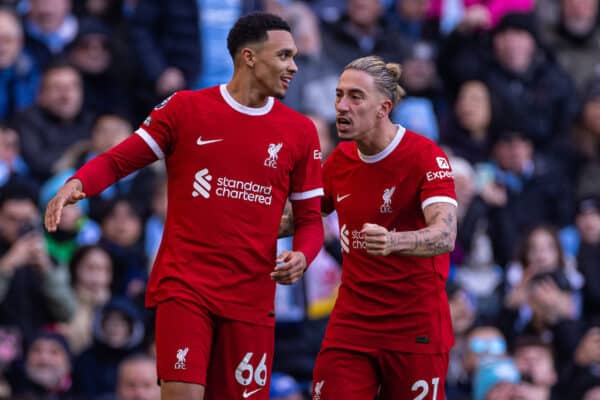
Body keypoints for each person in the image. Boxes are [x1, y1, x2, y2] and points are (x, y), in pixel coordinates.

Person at [44, 12, 324, 400]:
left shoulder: (300, 131)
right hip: (186, 285)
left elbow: (311, 220)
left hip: (252, 297)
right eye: (284, 56)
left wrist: (303, 257)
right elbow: (117, 160)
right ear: (249, 57)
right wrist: (77, 183)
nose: (294, 66)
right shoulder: (186, 109)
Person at [310, 55, 457, 399]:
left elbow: (445, 234)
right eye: (338, 94)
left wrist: (394, 241)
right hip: (352, 325)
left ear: (383, 108)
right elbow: (297, 217)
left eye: (355, 97)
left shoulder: (425, 156)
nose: (341, 106)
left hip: (415, 327)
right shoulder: (339, 161)